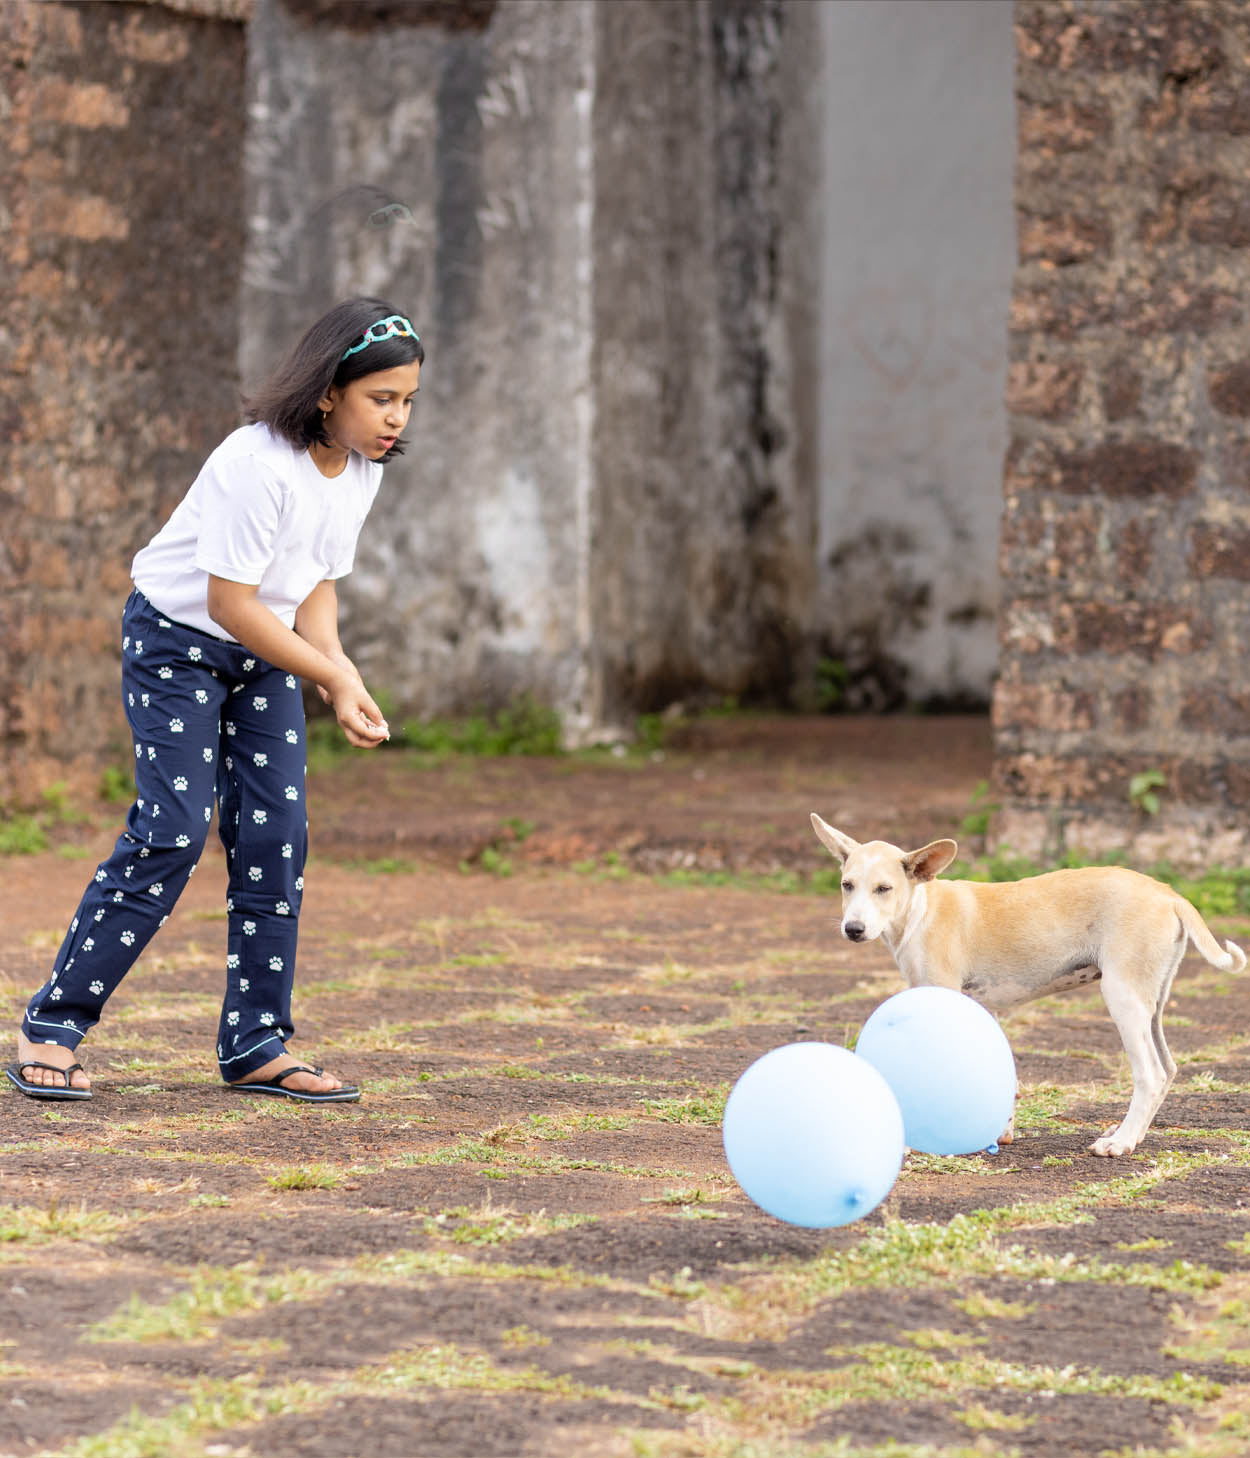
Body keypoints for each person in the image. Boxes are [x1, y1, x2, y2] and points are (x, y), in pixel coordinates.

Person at [6, 297, 423, 1104]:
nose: (396, 418)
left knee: (279, 837)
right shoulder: (256, 462)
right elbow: (232, 603)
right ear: (330, 389)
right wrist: (325, 676)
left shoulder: (361, 471)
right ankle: (50, 1026)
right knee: (173, 828)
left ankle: (256, 1042)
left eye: (407, 401)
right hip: (176, 644)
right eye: (382, 399)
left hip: (266, 654)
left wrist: (341, 669)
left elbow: (314, 584)